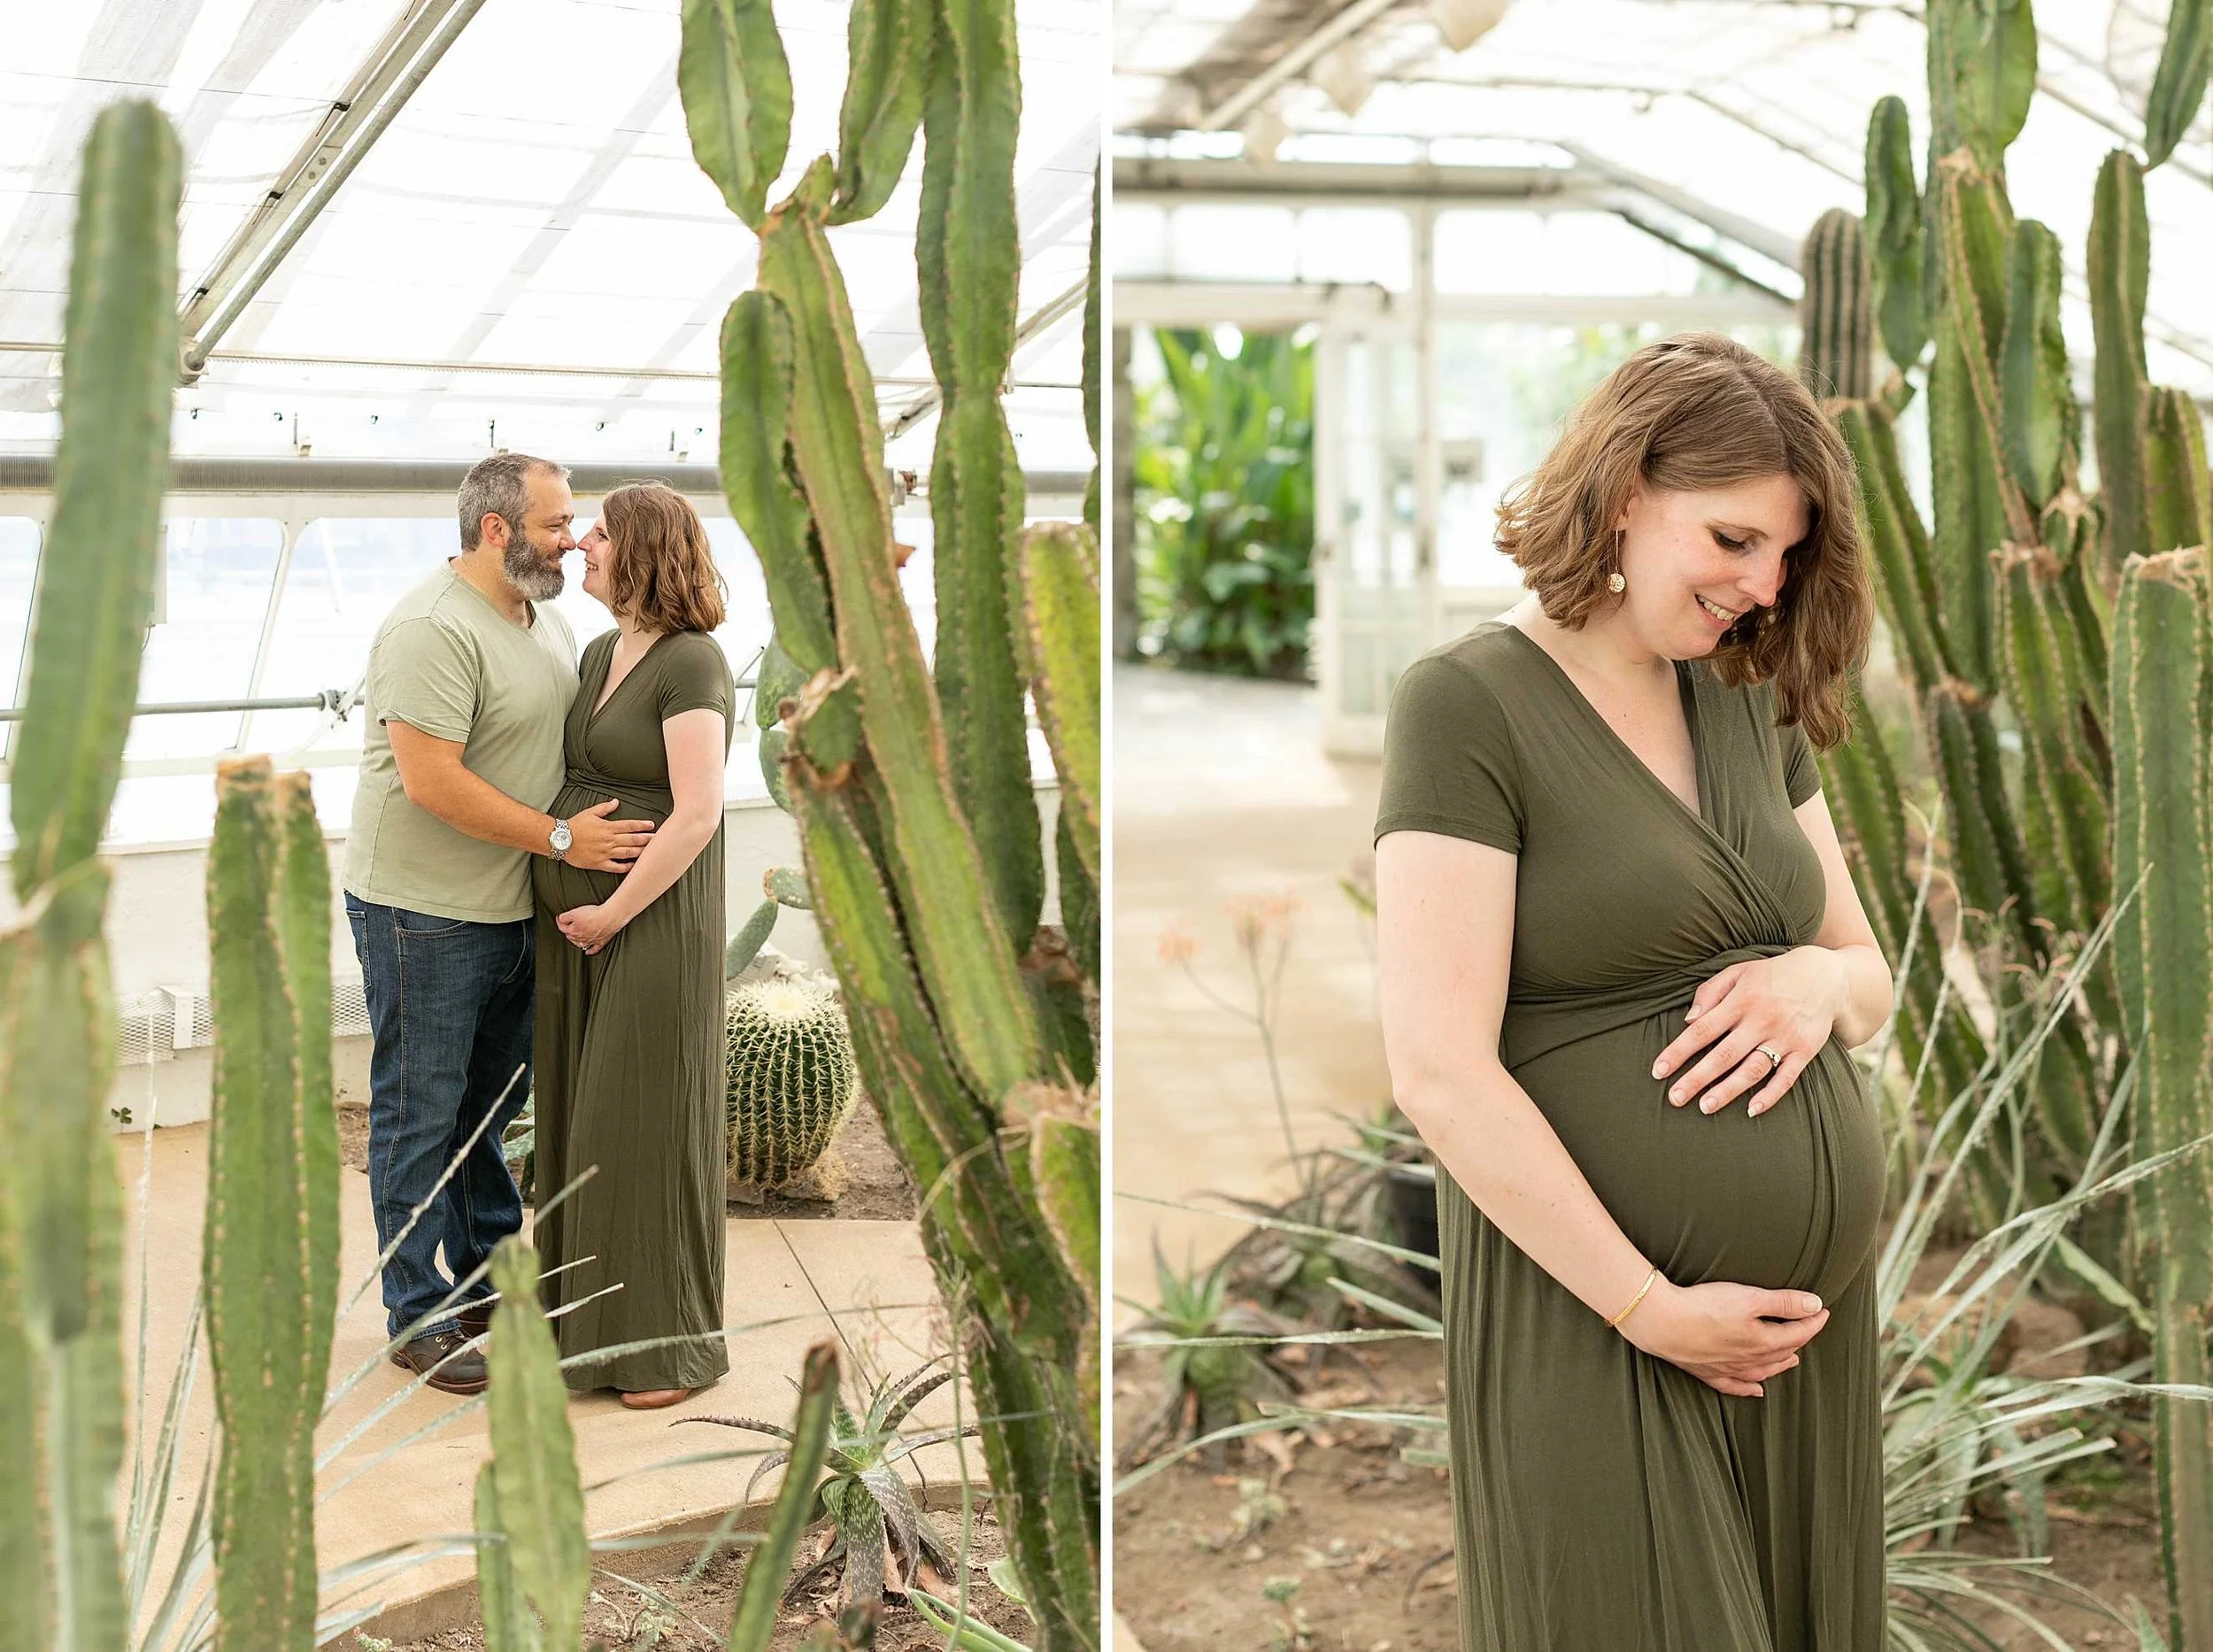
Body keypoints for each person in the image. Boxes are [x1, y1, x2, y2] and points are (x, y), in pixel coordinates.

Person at [1372, 332, 1893, 1648]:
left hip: (1797, 1346)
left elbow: (1870, 970)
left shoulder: (1746, 695)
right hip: (1598, 1318)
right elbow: (1437, 1065)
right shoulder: (1467, 705)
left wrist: (1815, 984)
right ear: (1622, 494)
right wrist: (1653, 1307)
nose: (1761, 587)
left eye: (1782, 555)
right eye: (1731, 541)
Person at [345, 452, 657, 1395]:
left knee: (487, 1114)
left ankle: (489, 1282)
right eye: (558, 524)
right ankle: (416, 1313)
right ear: (496, 530)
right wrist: (563, 838)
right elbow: (432, 781)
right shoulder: (431, 630)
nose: (574, 540)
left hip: (513, 903)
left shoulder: (544, 617)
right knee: (419, 1116)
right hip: (424, 912)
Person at [530, 480, 735, 1409]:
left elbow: (696, 813)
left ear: (645, 549)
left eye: (600, 535)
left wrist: (612, 914)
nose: (580, 546)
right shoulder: (603, 650)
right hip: (577, 928)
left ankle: (662, 1350)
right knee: (582, 1121)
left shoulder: (692, 663)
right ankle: (586, 1335)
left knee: (638, 1124)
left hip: (648, 924)